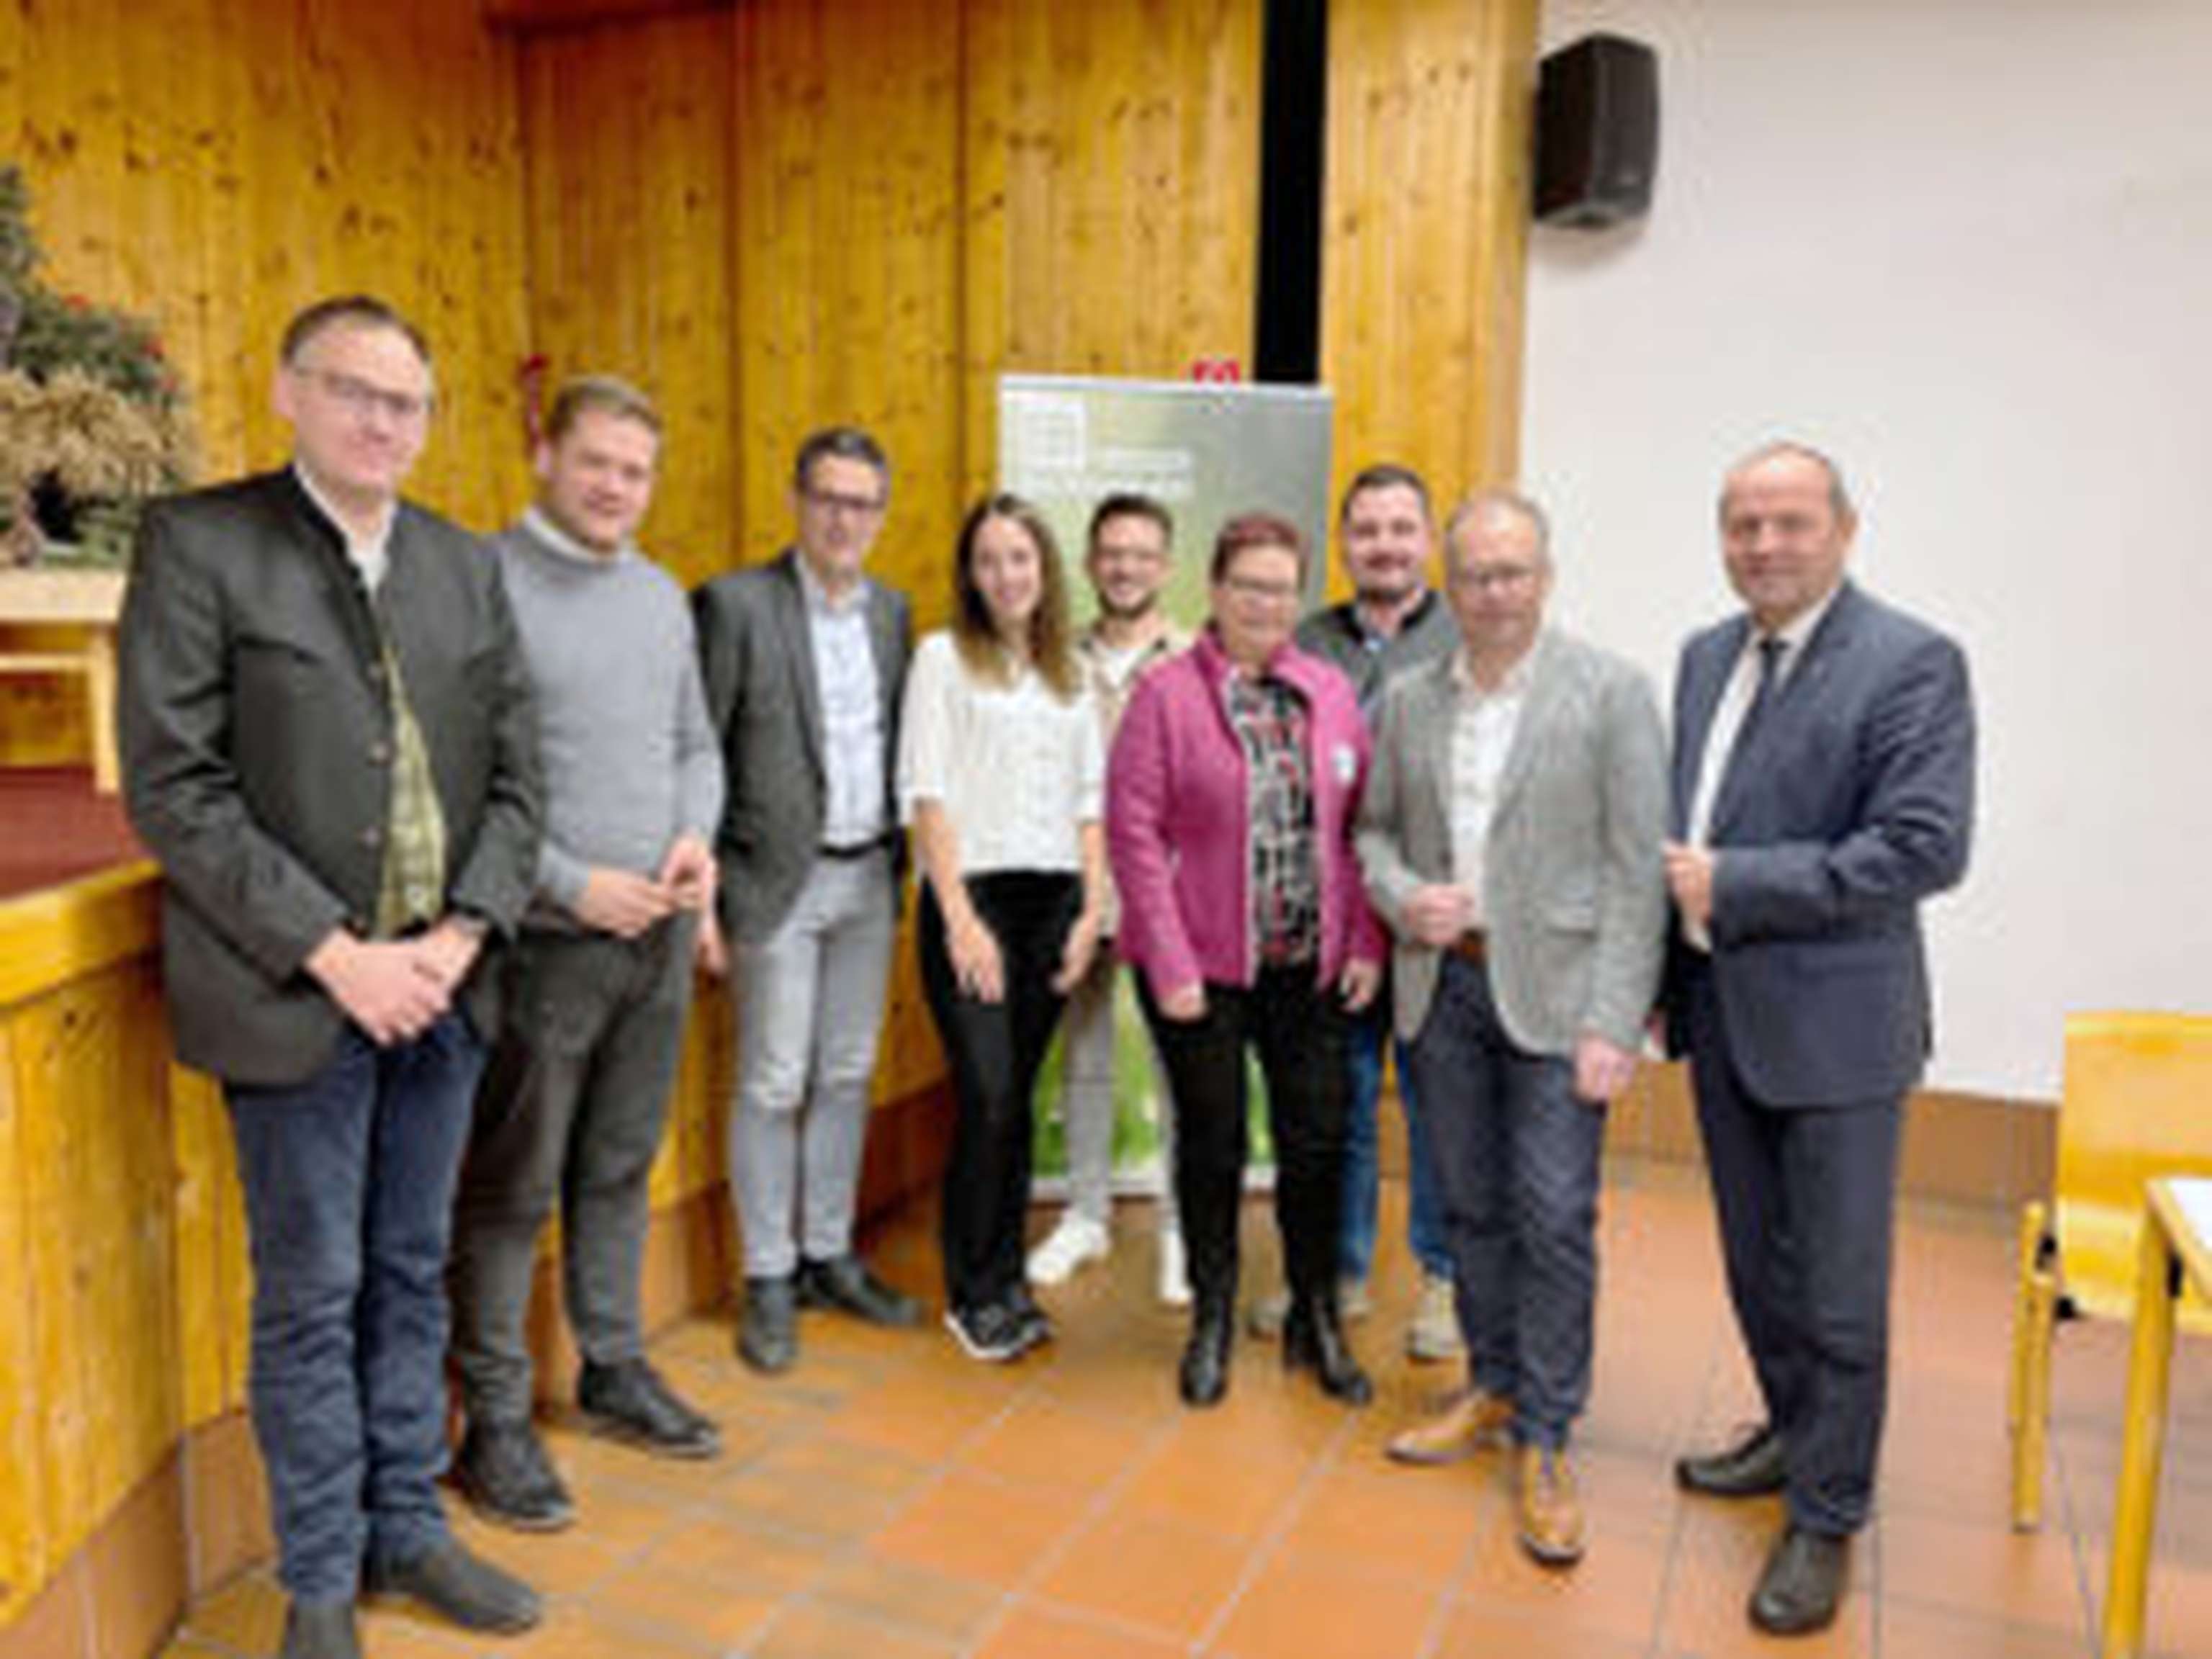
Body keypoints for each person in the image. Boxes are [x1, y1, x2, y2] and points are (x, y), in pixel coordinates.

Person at [117, 295, 543, 1658]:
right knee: (314, 1288)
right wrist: (341, 955)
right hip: (300, 991)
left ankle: (406, 1528)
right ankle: (317, 1575)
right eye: (354, 390)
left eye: (407, 401)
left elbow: (523, 782)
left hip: (447, 984)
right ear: (287, 389)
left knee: (413, 1271)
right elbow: (176, 789)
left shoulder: (466, 567)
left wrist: (460, 936)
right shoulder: (204, 543)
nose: (382, 421)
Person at [1664, 442, 1974, 1635]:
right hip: (1722, 1016)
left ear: (1843, 528)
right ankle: (1791, 1434)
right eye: (1742, 523)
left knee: (1840, 1291)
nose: (1763, 544)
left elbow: (1921, 844)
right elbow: (1681, 828)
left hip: (1841, 1031)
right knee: (1758, 1265)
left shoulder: (1910, 662)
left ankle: (1827, 1513)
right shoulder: (1704, 656)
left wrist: (1734, 880)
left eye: (1789, 521)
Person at [1357, 491, 1666, 1568]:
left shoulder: (1612, 693)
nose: (1494, 593)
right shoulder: (1405, 699)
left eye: (1514, 572)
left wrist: (1614, 1020)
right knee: (1472, 1205)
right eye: (1477, 575)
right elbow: (1377, 835)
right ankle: (1491, 1385)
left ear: (1547, 576)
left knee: (1553, 1215)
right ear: (1453, 583)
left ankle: (1545, 1434)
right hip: (1444, 990)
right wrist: (1404, 898)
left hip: (1561, 1001)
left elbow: (1639, 871)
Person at [446, 376, 725, 1534]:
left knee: (615, 1167)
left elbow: (694, 743)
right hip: (544, 949)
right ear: (545, 456)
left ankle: (610, 1369)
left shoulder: (661, 598)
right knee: (509, 1192)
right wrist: (568, 882)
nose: (617, 487)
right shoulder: (482, 586)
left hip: (656, 942)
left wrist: (694, 839)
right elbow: (459, 783)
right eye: (598, 462)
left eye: (636, 469)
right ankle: (496, 1424)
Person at [1109, 512, 1386, 1409]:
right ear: (1216, 592)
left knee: (1316, 1143)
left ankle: (1316, 1318)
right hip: (1202, 974)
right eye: (1249, 586)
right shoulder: (1166, 694)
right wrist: (1168, 958)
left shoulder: (1330, 690)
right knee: (1214, 1145)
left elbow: (1361, 832)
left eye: (1281, 588)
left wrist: (1367, 941)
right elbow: (1134, 834)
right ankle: (1215, 1318)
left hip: (1309, 968)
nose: (1267, 603)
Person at [694, 427, 920, 1375]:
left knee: (845, 1071)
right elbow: (698, 751)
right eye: (828, 497)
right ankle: (769, 1276)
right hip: (772, 882)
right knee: (774, 1079)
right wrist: (701, 899)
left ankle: (829, 1253)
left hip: (868, 876)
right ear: (797, 499)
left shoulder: (894, 614)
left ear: (879, 513)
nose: (844, 518)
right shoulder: (737, 606)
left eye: (863, 503)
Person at [901, 493, 1106, 1360]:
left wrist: (1093, 911)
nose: (1005, 575)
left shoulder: (1074, 675)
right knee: (984, 1093)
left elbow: (1091, 803)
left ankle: (1008, 1282)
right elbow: (928, 793)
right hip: (973, 901)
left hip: (1054, 903)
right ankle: (972, 1292)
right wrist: (959, 918)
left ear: (1043, 569)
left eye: (1019, 558)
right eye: (988, 560)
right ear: (970, 574)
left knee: (1013, 1101)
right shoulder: (943, 659)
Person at [1284, 463, 1462, 1360]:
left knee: (1439, 1110)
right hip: (1332, 919)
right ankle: (1340, 1269)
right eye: (1366, 530)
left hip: (1436, 922)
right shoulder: (1306, 640)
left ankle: (1444, 1278)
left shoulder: (1470, 637)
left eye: (1401, 528)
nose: (1384, 545)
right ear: (1345, 542)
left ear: (1427, 540)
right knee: (1342, 1102)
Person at [1024, 493, 1192, 1306]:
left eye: (1141, 554)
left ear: (1165, 566)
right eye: (1111, 553)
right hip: (1076, 887)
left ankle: (1178, 1230)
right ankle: (1086, 1213)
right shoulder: (1054, 657)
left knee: (1176, 1063)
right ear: (1091, 564)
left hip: (1168, 897)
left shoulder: (1198, 658)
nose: (1125, 567)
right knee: (1084, 1054)